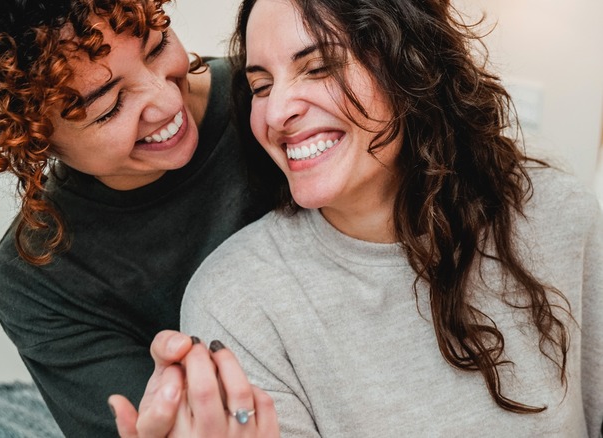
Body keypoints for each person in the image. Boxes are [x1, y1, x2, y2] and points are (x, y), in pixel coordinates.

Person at [0, 0, 279, 436]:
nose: (166, 101)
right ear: (30, 137)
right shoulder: (41, 279)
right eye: (109, 105)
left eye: (157, 46)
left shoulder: (281, 101)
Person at [169, 0, 603, 436]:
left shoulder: (554, 210)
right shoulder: (235, 304)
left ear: (410, 61)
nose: (277, 112)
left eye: (319, 67)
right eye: (261, 86)